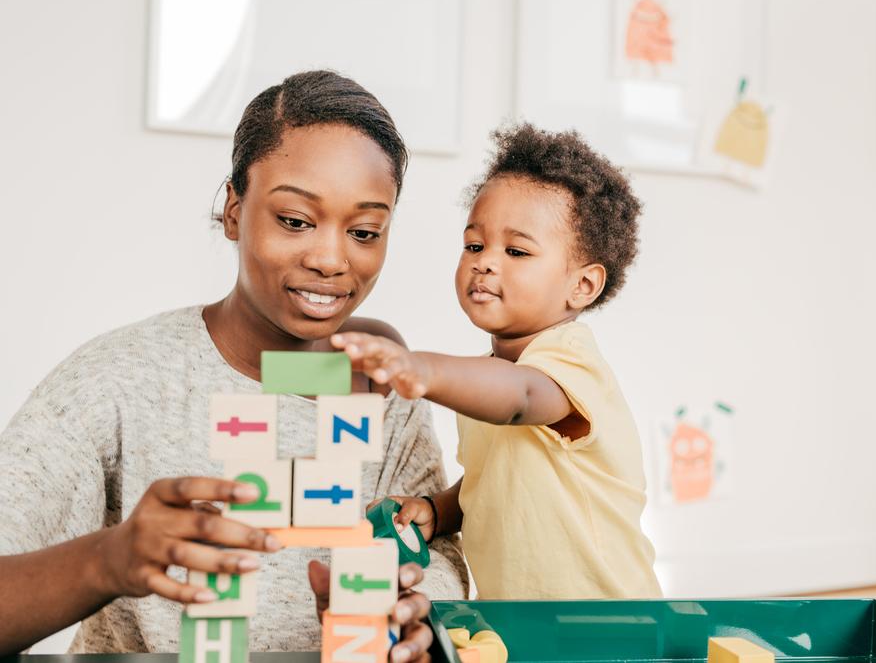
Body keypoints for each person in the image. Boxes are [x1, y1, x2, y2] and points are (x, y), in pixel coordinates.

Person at [0, 70, 467, 658]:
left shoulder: (387, 392)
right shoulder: (122, 379)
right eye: (295, 220)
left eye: (365, 231)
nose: (330, 258)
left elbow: (438, 567)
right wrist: (108, 561)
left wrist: (405, 621)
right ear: (233, 210)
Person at [332, 123, 662, 599]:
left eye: (516, 251)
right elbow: (498, 478)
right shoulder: (489, 379)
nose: (485, 262)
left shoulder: (569, 364)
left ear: (583, 285)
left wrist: (421, 369)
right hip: (517, 623)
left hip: (608, 619)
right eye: (474, 245)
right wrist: (441, 509)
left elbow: (522, 396)